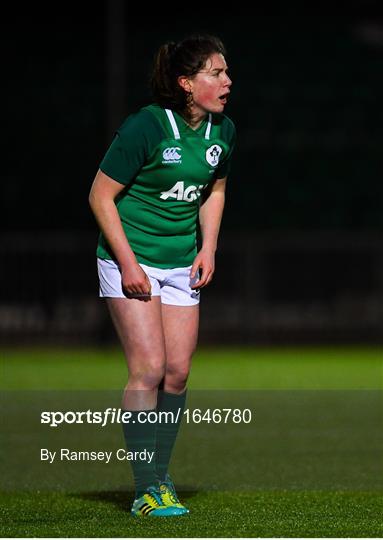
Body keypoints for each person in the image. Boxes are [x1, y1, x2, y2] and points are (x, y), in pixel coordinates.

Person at [89, 34, 235, 517]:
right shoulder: (148, 126)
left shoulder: (223, 131)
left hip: (180, 262)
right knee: (148, 370)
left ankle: (160, 475)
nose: (226, 81)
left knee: (177, 374)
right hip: (130, 257)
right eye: (215, 73)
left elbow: (213, 189)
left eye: (226, 72)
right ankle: (144, 489)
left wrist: (208, 247)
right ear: (186, 83)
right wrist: (128, 263)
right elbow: (100, 196)